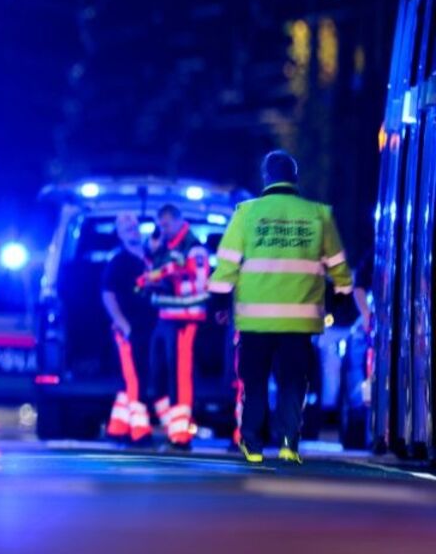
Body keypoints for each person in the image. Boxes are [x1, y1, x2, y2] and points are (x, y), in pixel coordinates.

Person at [209, 151, 356, 465]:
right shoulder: (319, 215)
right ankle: (289, 444)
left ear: (266, 177)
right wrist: (340, 298)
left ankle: (253, 446)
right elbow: (339, 268)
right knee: (293, 382)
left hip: (254, 320)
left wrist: (220, 303)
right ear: (295, 177)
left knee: (255, 381)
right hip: (300, 320)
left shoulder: (246, 213)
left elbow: (226, 265)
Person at [137, 203, 209, 449]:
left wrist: (171, 281)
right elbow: (153, 271)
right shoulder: (165, 246)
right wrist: (152, 260)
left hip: (184, 320)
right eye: (160, 225)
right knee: (156, 376)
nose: (163, 229)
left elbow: (201, 284)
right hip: (164, 318)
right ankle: (172, 427)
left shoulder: (193, 246)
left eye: (166, 224)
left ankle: (181, 436)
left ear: (178, 220)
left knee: (180, 377)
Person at [101, 212, 155, 444]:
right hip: (128, 330)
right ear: (120, 234)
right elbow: (108, 294)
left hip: (150, 327)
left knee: (135, 378)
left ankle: (117, 428)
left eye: (133, 225)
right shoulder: (118, 261)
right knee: (135, 380)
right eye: (126, 227)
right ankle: (140, 431)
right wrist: (123, 323)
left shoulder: (150, 257)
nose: (131, 229)